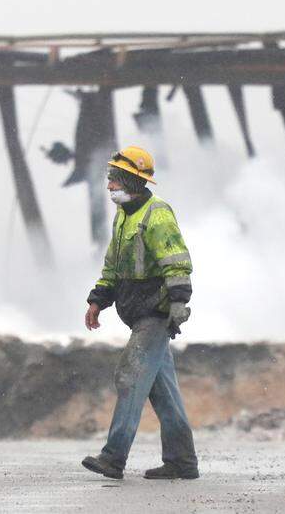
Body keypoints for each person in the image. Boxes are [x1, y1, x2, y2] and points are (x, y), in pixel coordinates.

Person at [80, 146, 199, 481]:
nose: (109, 187)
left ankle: (113, 457)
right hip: (137, 314)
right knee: (165, 393)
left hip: (155, 314)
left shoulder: (157, 214)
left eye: (114, 180)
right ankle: (182, 462)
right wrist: (98, 299)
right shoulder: (125, 216)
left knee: (130, 378)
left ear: (132, 180)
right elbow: (114, 266)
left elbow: (176, 260)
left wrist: (179, 302)